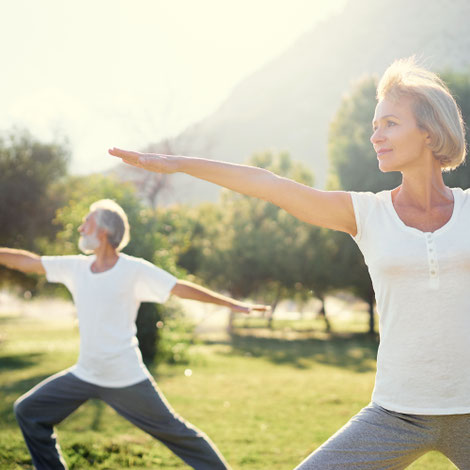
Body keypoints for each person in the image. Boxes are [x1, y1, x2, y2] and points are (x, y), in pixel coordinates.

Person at [109, 57, 470, 469]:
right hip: (396, 412)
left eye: (389, 123)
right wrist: (177, 164)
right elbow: (269, 185)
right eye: (373, 126)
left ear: (429, 131)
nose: (375, 136)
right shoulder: (367, 213)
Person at [0, 199, 270, 470]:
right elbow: (30, 262)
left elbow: (179, 288)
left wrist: (233, 304)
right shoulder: (76, 267)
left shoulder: (133, 270)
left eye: (87, 223)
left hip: (125, 377)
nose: (81, 228)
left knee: (179, 434)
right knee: (29, 411)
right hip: (85, 373)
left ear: (103, 232)